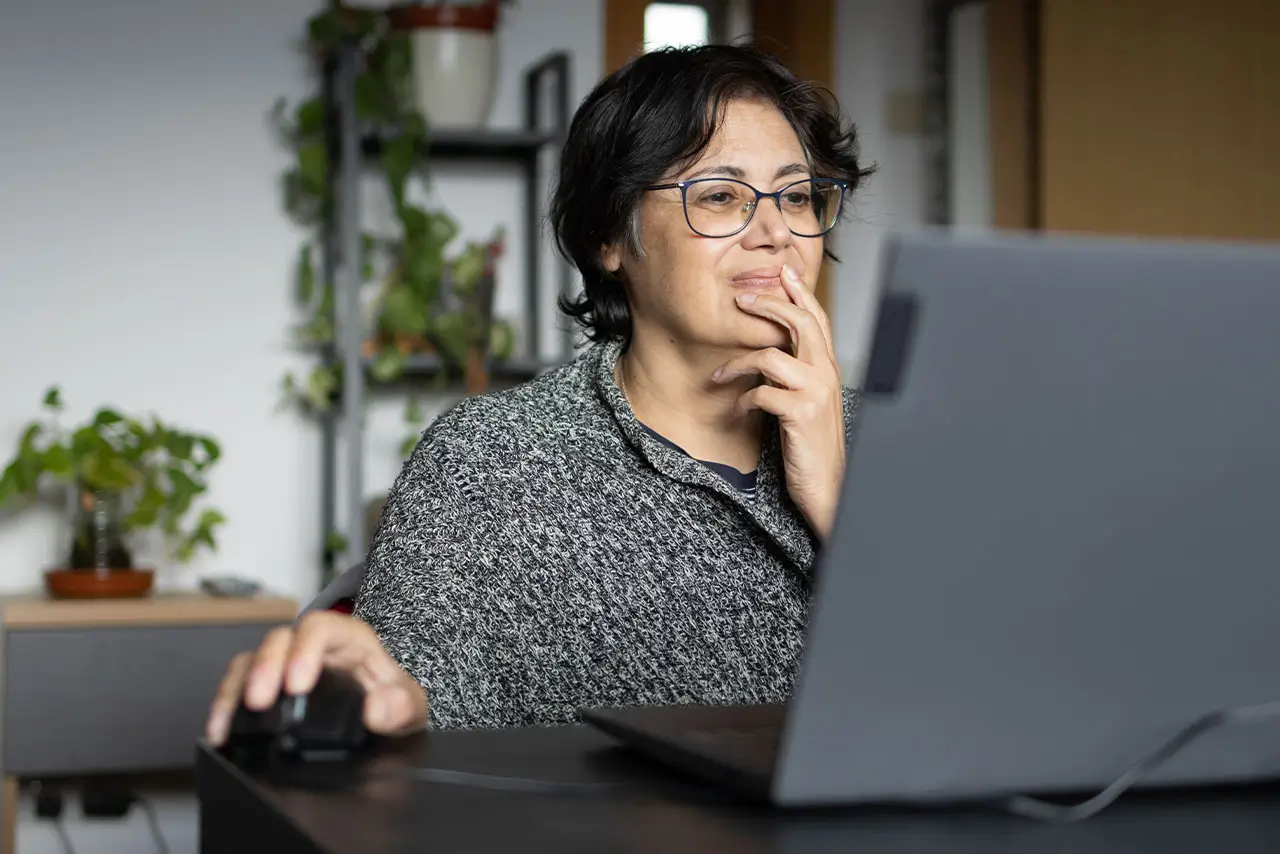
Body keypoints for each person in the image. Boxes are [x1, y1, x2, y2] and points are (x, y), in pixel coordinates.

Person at [205, 42, 873, 745]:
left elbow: (984, 699)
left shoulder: (890, 438)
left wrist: (838, 503)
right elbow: (415, 707)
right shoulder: (495, 459)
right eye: (719, 195)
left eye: (797, 195)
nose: (775, 232)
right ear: (610, 234)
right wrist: (366, 691)